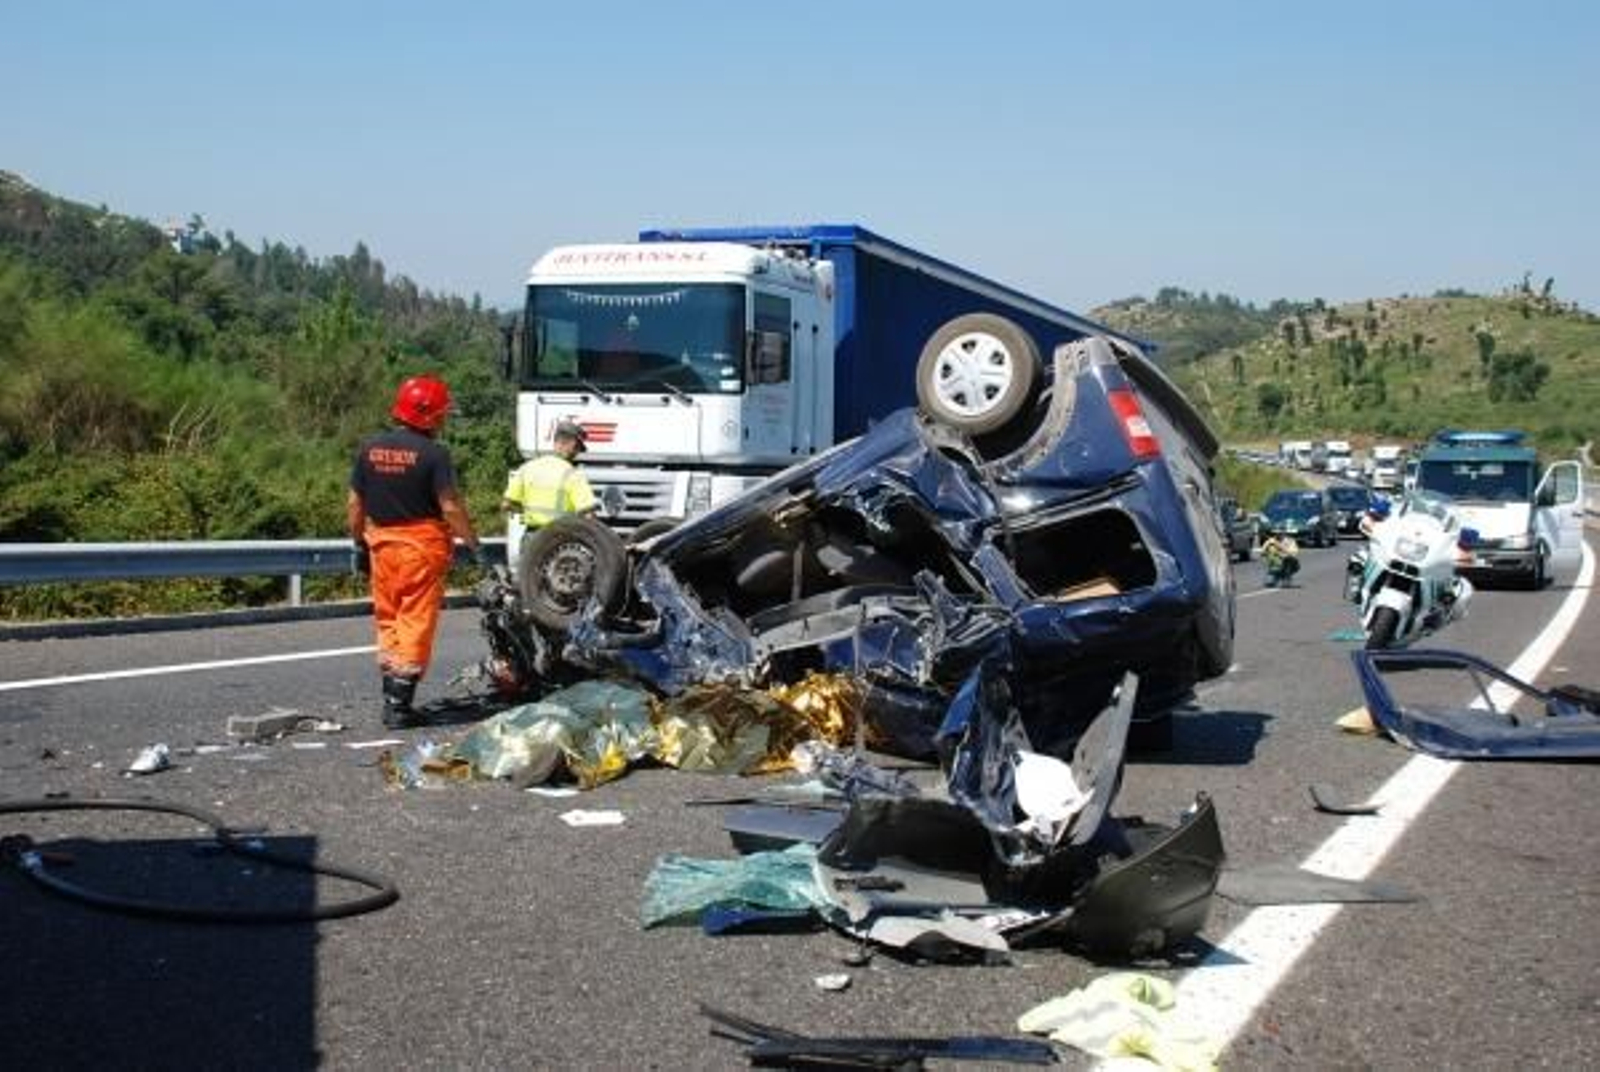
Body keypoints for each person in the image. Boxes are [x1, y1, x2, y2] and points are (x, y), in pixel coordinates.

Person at [348, 374, 483, 728]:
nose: (442, 420)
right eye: (441, 414)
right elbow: (450, 506)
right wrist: (473, 544)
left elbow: (354, 504)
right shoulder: (434, 454)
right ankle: (399, 706)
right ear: (430, 416)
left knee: (389, 619)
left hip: (381, 546)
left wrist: (358, 543)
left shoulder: (370, 448)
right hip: (420, 549)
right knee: (414, 622)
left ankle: (391, 697)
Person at [501, 419, 597, 533]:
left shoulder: (526, 468)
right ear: (573, 444)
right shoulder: (573, 475)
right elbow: (588, 515)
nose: (577, 453)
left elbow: (506, 505)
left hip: (532, 538)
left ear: (556, 442)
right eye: (578, 449)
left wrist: (527, 512)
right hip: (561, 540)